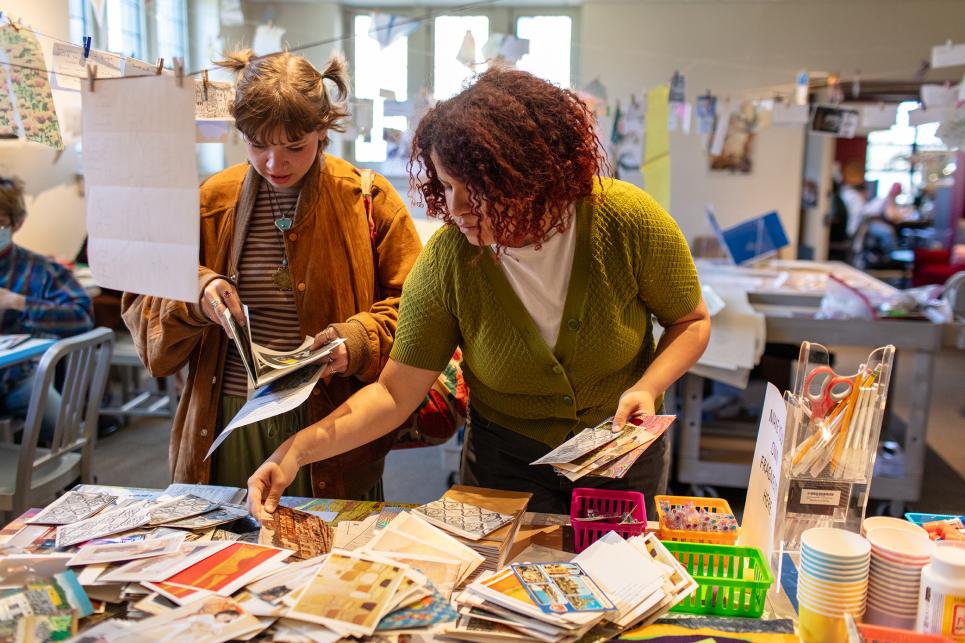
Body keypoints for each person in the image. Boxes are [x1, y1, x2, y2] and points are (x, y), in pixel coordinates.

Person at [247, 68, 711, 518]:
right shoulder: (449, 261)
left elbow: (690, 321)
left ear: (535, 178)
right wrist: (296, 451)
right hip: (505, 464)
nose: (456, 209)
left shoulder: (626, 221)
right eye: (446, 186)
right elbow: (394, 394)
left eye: (480, 191)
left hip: (622, 456)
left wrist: (649, 387)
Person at [121, 50, 422, 500]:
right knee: (225, 556)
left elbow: (419, 312)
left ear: (323, 131)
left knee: (327, 558)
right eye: (258, 144)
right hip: (224, 419)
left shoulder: (367, 200)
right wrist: (197, 291)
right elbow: (144, 302)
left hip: (329, 424)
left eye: (294, 147)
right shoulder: (210, 201)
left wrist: (356, 340)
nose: (274, 164)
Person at [0, 177, 94, 442]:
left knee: (65, 436)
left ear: (16, 223)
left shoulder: (40, 270)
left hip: (20, 377)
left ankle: (76, 478)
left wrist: (17, 302)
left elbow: (81, 318)